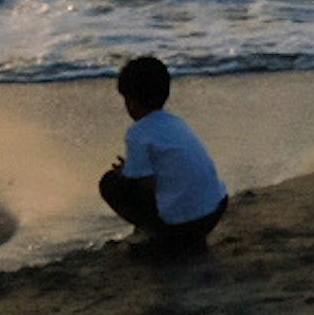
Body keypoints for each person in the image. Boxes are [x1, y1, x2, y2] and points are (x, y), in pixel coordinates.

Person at [98, 54, 231, 255]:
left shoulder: (138, 133)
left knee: (110, 183)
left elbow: (145, 183)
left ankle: (161, 237)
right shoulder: (175, 122)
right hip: (215, 209)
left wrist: (126, 173)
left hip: (183, 224)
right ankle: (184, 238)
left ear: (131, 102)